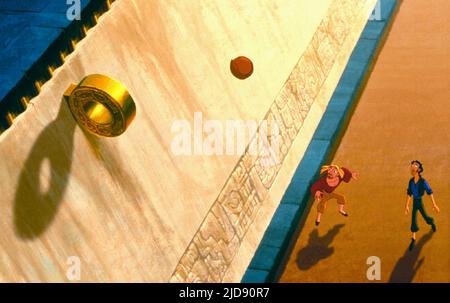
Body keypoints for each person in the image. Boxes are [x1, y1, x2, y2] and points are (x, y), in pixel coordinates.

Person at [405, 160, 440, 251]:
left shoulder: (423, 182)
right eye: (412, 165)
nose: (413, 166)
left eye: (415, 165)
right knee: (413, 218)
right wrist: (407, 205)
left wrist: (434, 204)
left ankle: (431, 222)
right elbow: (409, 193)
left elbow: (429, 192)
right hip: (414, 202)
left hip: (419, 202)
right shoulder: (411, 181)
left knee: (425, 217)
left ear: (419, 169)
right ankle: (413, 238)